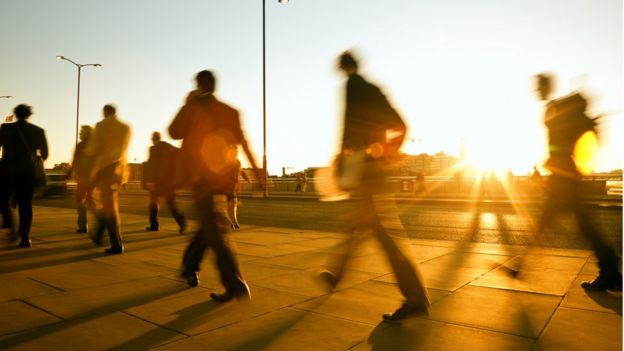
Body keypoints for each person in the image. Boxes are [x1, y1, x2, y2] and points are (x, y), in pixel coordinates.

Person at [319, 52, 430, 322]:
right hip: (371, 166)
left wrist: (347, 159)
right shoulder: (373, 89)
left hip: (365, 167)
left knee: (381, 231)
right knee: (360, 224)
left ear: (346, 67)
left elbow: (349, 129)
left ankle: (415, 298)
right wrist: (388, 152)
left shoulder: (354, 86)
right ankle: (336, 275)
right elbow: (400, 124)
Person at [170, 70, 263, 301]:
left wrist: (187, 103)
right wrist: (258, 172)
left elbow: (174, 132)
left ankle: (234, 284)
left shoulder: (193, 109)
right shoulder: (231, 112)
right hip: (222, 179)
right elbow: (245, 143)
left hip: (201, 179)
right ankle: (189, 267)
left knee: (213, 230)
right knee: (209, 226)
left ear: (199, 86)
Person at [533, 73, 621, 291]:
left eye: (538, 86)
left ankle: (610, 270)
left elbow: (560, 144)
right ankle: (610, 270)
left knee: (549, 222)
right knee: (583, 225)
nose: (536, 91)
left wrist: (553, 161)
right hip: (567, 175)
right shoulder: (562, 109)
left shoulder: (554, 109)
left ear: (545, 87)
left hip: (562, 178)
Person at [0, 104, 48, 247]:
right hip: (27, 173)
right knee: (25, 205)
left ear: (15, 114)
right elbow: (45, 154)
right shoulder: (38, 131)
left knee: (2, 198)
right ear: (29, 114)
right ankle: (25, 237)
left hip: (7, 171)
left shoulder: (6, 128)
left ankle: (9, 221)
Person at [86, 104, 131, 254]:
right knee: (109, 205)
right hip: (119, 169)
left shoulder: (100, 126)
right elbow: (124, 149)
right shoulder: (125, 127)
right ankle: (99, 235)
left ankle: (116, 244)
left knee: (109, 207)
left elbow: (93, 148)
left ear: (105, 112)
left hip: (105, 169)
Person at [143, 132, 186, 232]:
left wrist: (150, 180)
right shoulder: (168, 147)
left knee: (153, 203)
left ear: (154, 139)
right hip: (168, 182)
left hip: (157, 182)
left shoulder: (153, 149)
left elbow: (152, 166)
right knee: (171, 204)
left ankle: (154, 225)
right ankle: (181, 221)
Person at [68, 125, 94, 233]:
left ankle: (83, 225)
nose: (80, 133)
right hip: (93, 178)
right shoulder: (95, 145)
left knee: (80, 201)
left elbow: (75, 160)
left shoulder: (81, 145)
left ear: (87, 133)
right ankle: (101, 223)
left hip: (83, 177)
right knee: (93, 201)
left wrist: (70, 172)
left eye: (81, 132)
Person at [225, 158, 248, 230]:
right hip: (225, 186)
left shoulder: (237, 161)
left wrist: (246, 178)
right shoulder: (225, 160)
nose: (235, 153)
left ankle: (233, 222)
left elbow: (241, 170)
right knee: (228, 205)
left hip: (233, 186)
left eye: (236, 151)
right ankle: (232, 222)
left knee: (233, 203)